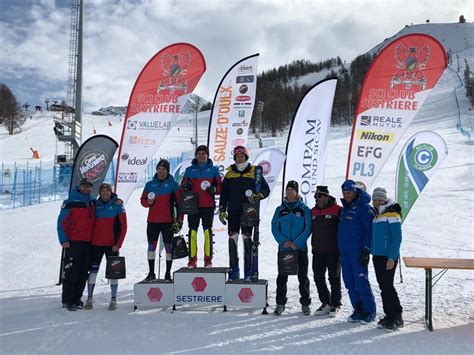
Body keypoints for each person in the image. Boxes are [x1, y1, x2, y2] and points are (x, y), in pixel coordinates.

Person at [219, 145, 270, 281]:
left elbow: (266, 190)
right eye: (237, 156)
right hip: (233, 210)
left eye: (242, 156)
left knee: (247, 239)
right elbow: (224, 194)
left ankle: (248, 271)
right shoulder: (230, 174)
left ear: (246, 157)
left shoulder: (254, 172)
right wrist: (222, 209)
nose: (240, 158)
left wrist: (259, 195)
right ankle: (234, 270)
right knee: (232, 238)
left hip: (249, 211)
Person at [337, 179, 376, 323]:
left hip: (358, 252)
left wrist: (366, 249)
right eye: (345, 193)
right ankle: (358, 310)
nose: (346, 195)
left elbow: (369, 230)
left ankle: (369, 311)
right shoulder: (345, 208)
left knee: (361, 282)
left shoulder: (364, 208)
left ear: (355, 192)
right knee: (349, 283)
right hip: (345, 252)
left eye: (349, 192)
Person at [84, 183, 127, 311]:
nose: (105, 193)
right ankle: (89, 298)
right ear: (99, 193)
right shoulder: (94, 205)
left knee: (114, 273)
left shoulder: (118, 205)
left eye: (107, 191)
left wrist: (118, 244)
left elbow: (124, 227)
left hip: (112, 246)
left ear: (110, 192)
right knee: (93, 271)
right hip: (96, 245)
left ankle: (113, 299)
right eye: (102, 191)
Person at [271, 181, 312, 316]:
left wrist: (298, 243)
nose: (289, 192)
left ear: (296, 192)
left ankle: (305, 304)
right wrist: (283, 242)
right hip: (285, 249)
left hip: (299, 249)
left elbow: (308, 228)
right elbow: (274, 227)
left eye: (292, 190)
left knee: (302, 277)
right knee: (282, 277)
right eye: (287, 189)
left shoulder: (304, 209)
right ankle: (280, 303)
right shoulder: (279, 209)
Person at [57, 178, 95, 311]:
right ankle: (67, 300)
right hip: (73, 243)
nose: (86, 188)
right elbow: (61, 223)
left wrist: (115, 197)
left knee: (83, 273)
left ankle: (77, 299)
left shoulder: (91, 202)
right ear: (79, 187)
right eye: (84, 185)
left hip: (88, 243)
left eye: (89, 186)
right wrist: (64, 240)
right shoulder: (70, 202)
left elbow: (106, 202)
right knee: (72, 272)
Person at [181, 145, 221, 269]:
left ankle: (208, 260)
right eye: (199, 154)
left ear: (207, 155)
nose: (201, 156)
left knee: (207, 232)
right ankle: (192, 260)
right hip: (192, 205)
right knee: (192, 232)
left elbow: (220, 188)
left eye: (204, 154)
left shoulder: (214, 170)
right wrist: (185, 185)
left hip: (208, 205)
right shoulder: (189, 170)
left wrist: (213, 189)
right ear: (196, 155)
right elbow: (183, 186)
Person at [141, 159, 181, 281]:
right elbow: (143, 201)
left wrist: (179, 220)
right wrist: (148, 202)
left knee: (168, 247)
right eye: (159, 169)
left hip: (167, 220)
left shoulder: (173, 185)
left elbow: (180, 204)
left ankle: (168, 273)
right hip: (152, 221)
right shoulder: (149, 184)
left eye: (163, 169)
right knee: (151, 246)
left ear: (167, 171)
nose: (161, 171)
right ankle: (151, 273)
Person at [371, 187, 404, 331]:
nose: (377, 202)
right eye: (375, 200)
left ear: (385, 200)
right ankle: (389, 315)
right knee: (383, 286)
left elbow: (397, 238)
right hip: (377, 255)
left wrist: (391, 257)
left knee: (388, 286)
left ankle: (397, 317)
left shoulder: (392, 214)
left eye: (380, 200)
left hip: (388, 257)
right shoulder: (377, 215)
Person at [311, 186, 342, 317]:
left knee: (334, 278)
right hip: (317, 250)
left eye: (320, 196)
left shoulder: (338, 210)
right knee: (318, 277)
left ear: (327, 197)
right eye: (315, 197)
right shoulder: (313, 211)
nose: (317, 199)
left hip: (333, 251)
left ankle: (336, 304)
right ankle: (326, 302)